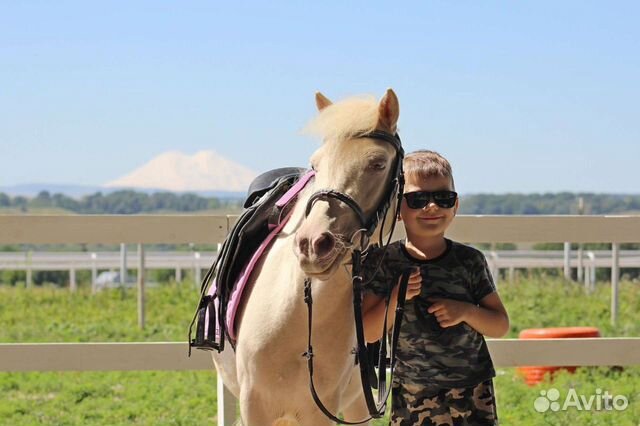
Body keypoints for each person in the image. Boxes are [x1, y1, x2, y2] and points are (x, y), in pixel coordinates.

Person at [362, 150, 509, 426]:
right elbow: (369, 333)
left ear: (455, 206)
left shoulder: (469, 261)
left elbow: (500, 325)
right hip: (413, 391)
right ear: (397, 209)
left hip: (472, 388)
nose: (431, 207)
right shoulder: (384, 262)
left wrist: (465, 311)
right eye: (417, 199)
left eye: (443, 198)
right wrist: (397, 297)